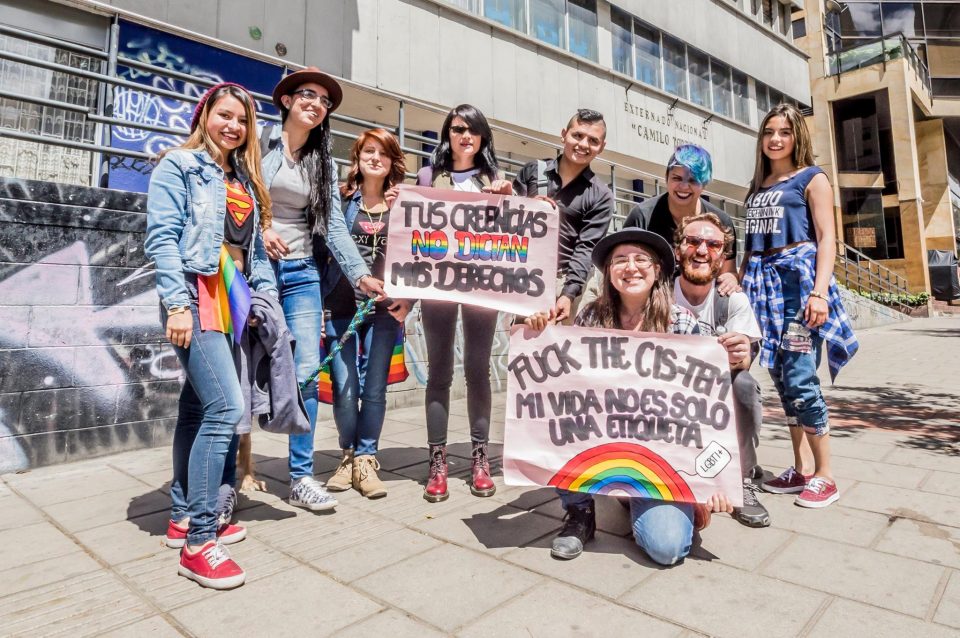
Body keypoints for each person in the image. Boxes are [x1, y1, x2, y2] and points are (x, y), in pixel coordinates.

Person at [525, 229, 734, 565]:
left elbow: (707, 410)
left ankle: (641, 496)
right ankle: (580, 514)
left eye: (641, 259)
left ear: (657, 271)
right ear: (608, 272)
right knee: (560, 423)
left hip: (661, 460)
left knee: (668, 549)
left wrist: (709, 481)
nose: (631, 267)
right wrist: (535, 332)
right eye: (620, 260)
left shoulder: (681, 322)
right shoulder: (592, 317)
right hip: (603, 445)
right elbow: (561, 383)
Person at [146, 82, 277, 589]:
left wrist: (263, 301)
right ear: (205, 116)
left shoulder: (241, 176)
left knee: (198, 406)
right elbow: (163, 237)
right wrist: (176, 304)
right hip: (195, 294)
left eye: (242, 120)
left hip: (232, 297)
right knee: (225, 406)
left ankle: (182, 516)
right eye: (225, 116)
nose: (234, 127)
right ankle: (201, 541)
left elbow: (256, 253)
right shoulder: (179, 166)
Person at [260, 67, 386, 512]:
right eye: (308, 95)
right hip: (255, 271)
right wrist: (263, 227)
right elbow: (234, 194)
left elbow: (333, 224)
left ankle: (300, 476)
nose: (316, 104)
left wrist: (359, 275)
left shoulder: (323, 162)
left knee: (308, 372)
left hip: (303, 274)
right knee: (242, 368)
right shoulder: (258, 139)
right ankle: (229, 474)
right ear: (288, 100)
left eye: (324, 101)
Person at [741, 104, 858, 509]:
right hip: (761, 291)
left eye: (784, 132)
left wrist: (819, 292)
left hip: (797, 287)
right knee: (780, 380)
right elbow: (749, 247)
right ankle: (800, 468)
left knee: (801, 377)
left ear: (797, 137)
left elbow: (827, 239)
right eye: (769, 132)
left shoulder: (812, 178)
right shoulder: (758, 185)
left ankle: (826, 475)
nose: (775, 139)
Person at [415, 104, 513, 502]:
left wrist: (509, 199)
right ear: (447, 134)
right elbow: (412, 230)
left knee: (478, 370)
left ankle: (479, 457)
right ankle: (436, 461)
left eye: (473, 130)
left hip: (482, 289)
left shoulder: (496, 180)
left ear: (484, 137)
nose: (465, 136)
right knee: (439, 371)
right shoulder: (426, 176)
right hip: (437, 287)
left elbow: (514, 236)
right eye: (457, 129)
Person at [322, 128, 412, 498]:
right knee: (344, 388)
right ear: (357, 159)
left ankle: (366, 458)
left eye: (383, 153)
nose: (375, 158)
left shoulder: (406, 204)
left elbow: (422, 259)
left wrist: (411, 301)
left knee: (374, 389)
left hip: (386, 309)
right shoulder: (341, 201)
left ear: (393, 162)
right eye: (368, 151)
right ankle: (347, 455)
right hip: (341, 305)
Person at [673, 212, 770, 527]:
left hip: (714, 391)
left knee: (745, 385)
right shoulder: (658, 293)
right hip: (668, 398)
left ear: (723, 257)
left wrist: (740, 354)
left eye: (713, 244)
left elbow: (746, 359)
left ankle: (741, 478)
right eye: (693, 241)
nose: (702, 250)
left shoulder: (732, 299)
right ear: (678, 249)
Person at [512, 109, 614, 324]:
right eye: (577, 135)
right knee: (522, 346)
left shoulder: (601, 195)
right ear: (563, 135)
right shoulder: (532, 171)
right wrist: (526, 207)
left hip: (564, 280)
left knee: (560, 352)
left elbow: (586, 248)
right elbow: (507, 222)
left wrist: (569, 294)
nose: (583, 144)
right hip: (523, 276)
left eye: (593, 140)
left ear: (601, 147)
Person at [623, 144, 739, 295]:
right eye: (677, 178)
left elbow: (728, 273)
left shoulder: (720, 223)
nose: (684, 186)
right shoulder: (642, 216)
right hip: (652, 302)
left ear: (704, 184)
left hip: (700, 302)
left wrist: (731, 278)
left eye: (693, 180)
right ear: (666, 178)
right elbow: (622, 265)